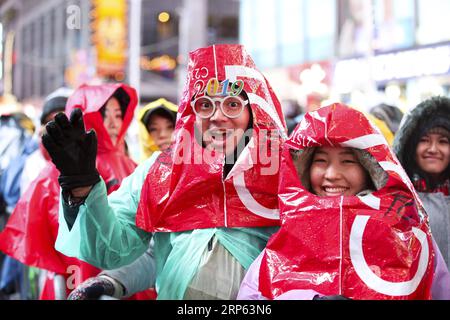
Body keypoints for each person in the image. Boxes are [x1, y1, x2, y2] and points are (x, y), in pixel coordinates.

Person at [43, 44, 287, 300]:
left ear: (254, 111)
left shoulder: (286, 173)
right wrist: (82, 187)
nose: (218, 116)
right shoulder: (161, 172)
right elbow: (116, 248)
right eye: (205, 104)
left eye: (233, 104)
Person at [237, 103, 450, 300]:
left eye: (348, 161)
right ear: (305, 167)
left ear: (370, 170)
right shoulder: (288, 237)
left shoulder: (407, 233)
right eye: (320, 161)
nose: (332, 174)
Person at [0, 83, 140, 299]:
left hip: (127, 276)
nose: (113, 123)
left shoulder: (132, 166)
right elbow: (46, 228)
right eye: (104, 114)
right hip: (74, 273)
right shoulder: (61, 168)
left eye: (118, 114)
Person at [393, 96, 450, 271]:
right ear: (410, 146)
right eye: (424, 140)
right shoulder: (396, 199)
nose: (433, 149)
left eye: (443, 141)